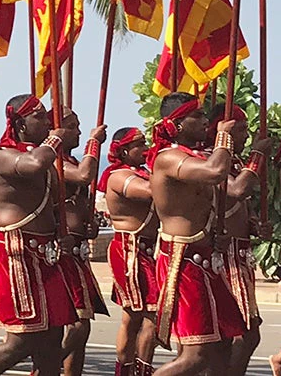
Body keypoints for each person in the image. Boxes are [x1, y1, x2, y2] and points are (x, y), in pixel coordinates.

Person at [0, 94, 77, 376]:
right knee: (21, 340)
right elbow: (33, 165)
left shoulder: (42, 155)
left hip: (45, 253)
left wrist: (61, 230)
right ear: (19, 124)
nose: (47, 123)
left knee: (53, 337)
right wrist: (55, 139)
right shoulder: (4, 156)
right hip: (16, 252)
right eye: (39, 117)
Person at [148, 92, 246, 375]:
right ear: (177, 123)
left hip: (205, 258)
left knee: (223, 343)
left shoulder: (190, 157)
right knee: (196, 356)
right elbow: (215, 172)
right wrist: (224, 136)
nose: (205, 121)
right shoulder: (168, 158)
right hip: (183, 260)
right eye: (198, 116)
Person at [206, 104, 271, 375]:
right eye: (241, 130)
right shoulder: (210, 161)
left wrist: (255, 225)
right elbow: (237, 189)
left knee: (237, 336)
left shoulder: (235, 163)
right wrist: (258, 155)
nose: (246, 135)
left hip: (239, 254)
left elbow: (240, 206)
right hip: (222, 256)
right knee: (242, 334)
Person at [99, 127, 158, 376]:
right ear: (124, 151)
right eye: (139, 144)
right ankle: (133, 371)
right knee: (143, 315)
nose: (145, 149)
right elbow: (152, 192)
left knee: (142, 317)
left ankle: (134, 369)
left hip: (147, 251)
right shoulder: (119, 176)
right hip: (129, 250)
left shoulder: (143, 173)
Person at [57, 107, 109, 376]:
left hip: (77, 251)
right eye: (71, 126)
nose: (78, 131)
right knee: (78, 323)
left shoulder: (70, 161)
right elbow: (83, 176)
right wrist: (93, 142)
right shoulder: (53, 161)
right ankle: (49, 364)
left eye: (78, 126)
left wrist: (89, 225)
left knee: (82, 323)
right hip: (59, 251)